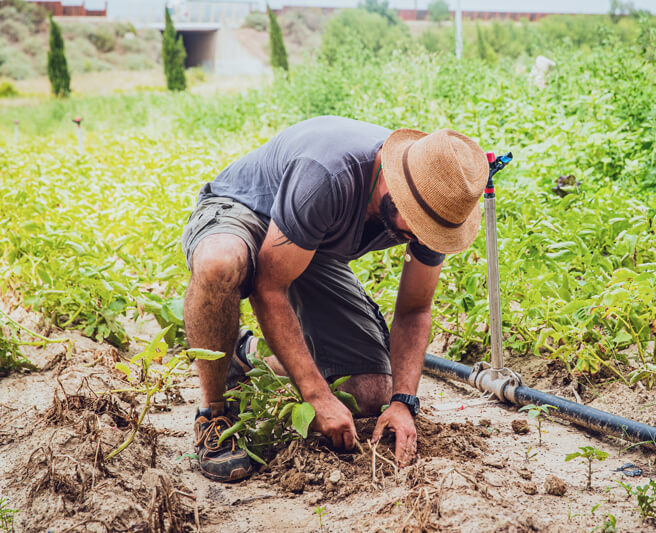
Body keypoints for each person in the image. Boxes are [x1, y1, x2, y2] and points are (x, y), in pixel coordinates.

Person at [181, 115, 488, 482]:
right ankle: (213, 412)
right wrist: (317, 396)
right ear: (396, 183)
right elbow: (269, 286)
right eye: (417, 224)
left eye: (430, 230)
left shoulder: (436, 208)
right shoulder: (327, 174)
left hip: (311, 245)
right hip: (247, 212)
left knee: (370, 391)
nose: (419, 237)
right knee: (219, 264)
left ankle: (243, 354)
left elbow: (414, 309)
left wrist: (403, 402)